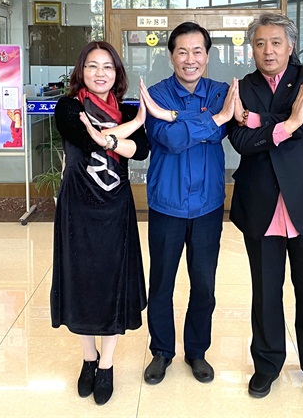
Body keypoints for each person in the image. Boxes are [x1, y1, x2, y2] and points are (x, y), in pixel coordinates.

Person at [228, 13, 303, 400]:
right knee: (265, 292)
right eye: (260, 43)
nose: (268, 51)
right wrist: (285, 123)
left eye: (276, 42)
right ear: (252, 48)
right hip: (260, 203)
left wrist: (257, 119)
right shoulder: (243, 86)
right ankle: (267, 365)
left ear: (291, 46)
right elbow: (240, 141)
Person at [50, 41, 149, 406]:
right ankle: (88, 357)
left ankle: (106, 364)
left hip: (114, 207)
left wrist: (116, 133)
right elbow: (84, 139)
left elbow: (141, 150)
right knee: (82, 281)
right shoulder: (69, 106)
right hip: (78, 206)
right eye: (92, 66)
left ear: (116, 73)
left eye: (107, 66)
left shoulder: (126, 108)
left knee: (112, 281)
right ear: (82, 71)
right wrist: (130, 128)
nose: (100, 73)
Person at [138, 21, 237, 386]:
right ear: (171, 56)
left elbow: (220, 127)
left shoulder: (221, 92)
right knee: (161, 283)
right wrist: (211, 120)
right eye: (182, 51)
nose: (190, 59)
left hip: (208, 205)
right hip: (167, 204)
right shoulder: (156, 95)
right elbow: (170, 140)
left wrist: (182, 119)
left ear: (207, 56)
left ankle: (197, 350)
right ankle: (162, 351)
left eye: (197, 51)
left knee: (204, 284)